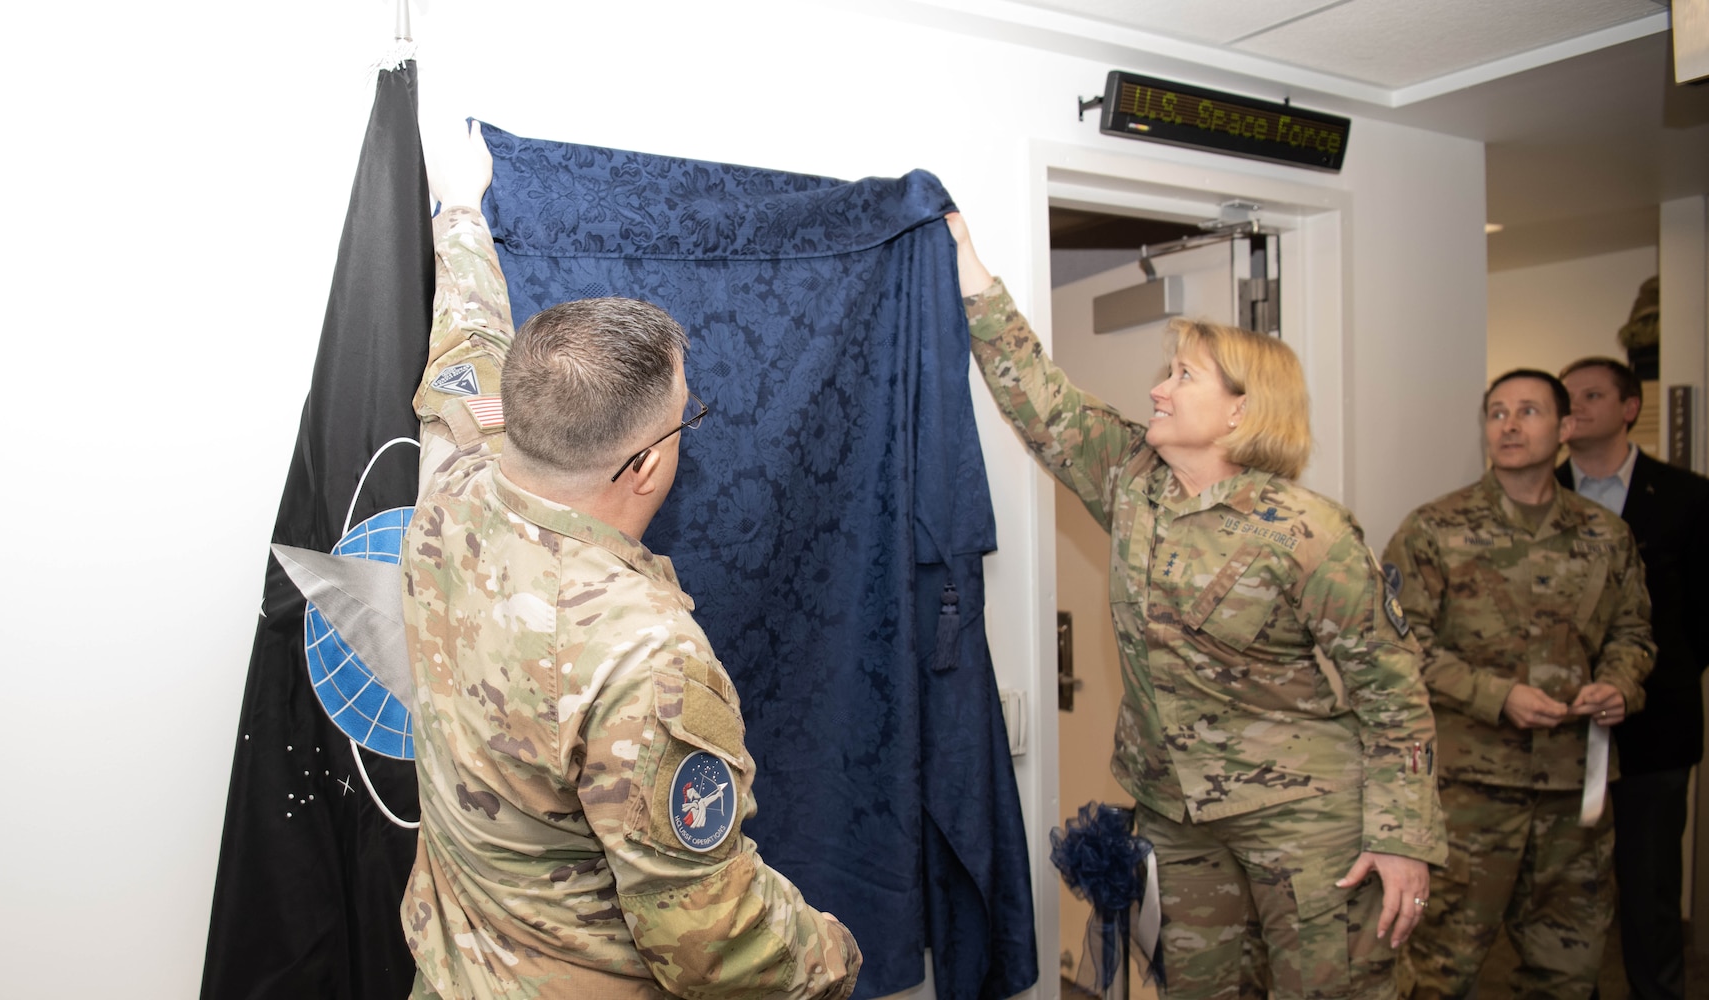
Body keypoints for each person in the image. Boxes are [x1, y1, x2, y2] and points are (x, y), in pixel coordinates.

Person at [397, 120, 861, 999]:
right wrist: (831, 955)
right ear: (645, 463)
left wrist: (461, 203)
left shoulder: (449, 492)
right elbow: (710, 942)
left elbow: (465, 351)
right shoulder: (647, 659)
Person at [950, 213, 1444, 1000]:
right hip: (1178, 814)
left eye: (1183, 376)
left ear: (1245, 410)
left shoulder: (1308, 531)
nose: (1157, 388)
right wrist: (966, 261)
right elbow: (1039, 397)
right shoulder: (1133, 483)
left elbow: (1394, 692)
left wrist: (1402, 837)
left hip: (1305, 816)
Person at [1384, 368, 1655, 999]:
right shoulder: (1434, 528)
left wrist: (1619, 685)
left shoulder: (1604, 536)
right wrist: (1497, 695)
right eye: (1497, 412)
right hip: (1468, 793)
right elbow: (1398, 646)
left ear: (1564, 429)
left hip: (1572, 793)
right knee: (1435, 970)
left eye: (1528, 411)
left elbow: (1633, 633)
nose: (1509, 424)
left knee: (1570, 969)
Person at [1556, 356, 1709, 1000]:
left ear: (1629, 407)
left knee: (1648, 891)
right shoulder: (1533, 495)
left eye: (1592, 395)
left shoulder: (1687, 497)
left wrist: (1645, 678)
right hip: (1554, 732)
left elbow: (1701, 614)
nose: (1576, 407)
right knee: (1563, 898)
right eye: (1566, 398)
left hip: (1653, 731)